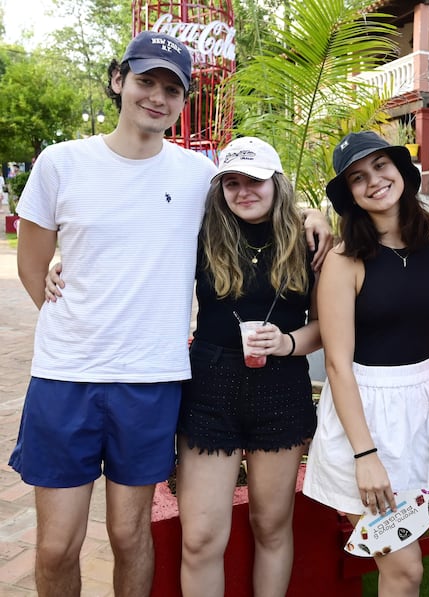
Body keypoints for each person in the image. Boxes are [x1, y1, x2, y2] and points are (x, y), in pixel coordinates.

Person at [12, 31, 331, 597]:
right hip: (66, 377)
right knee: (57, 546)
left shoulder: (196, 176)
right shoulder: (60, 163)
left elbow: (259, 195)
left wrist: (316, 216)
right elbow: (33, 267)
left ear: (184, 100)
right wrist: (77, 317)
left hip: (151, 379)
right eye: (145, 81)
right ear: (119, 81)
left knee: (131, 534)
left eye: (171, 88)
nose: (156, 97)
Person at [302, 131, 429, 596]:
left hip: (427, 409)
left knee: (418, 555)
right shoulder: (343, 261)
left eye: (381, 167)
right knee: (404, 567)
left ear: (402, 171)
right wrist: (365, 456)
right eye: (357, 177)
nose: (373, 181)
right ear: (349, 195)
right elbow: (336, 364)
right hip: (363, 415)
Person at [175, 136, 321, 597]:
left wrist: (288, 341)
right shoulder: (200, 235)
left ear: (276, 183)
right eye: (232, 182)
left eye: (254, 180)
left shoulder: (309, 241)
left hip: (281, 387)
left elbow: (325, 326)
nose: (244, 191)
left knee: (272, 526)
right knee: (199, 539)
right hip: (209, 386)